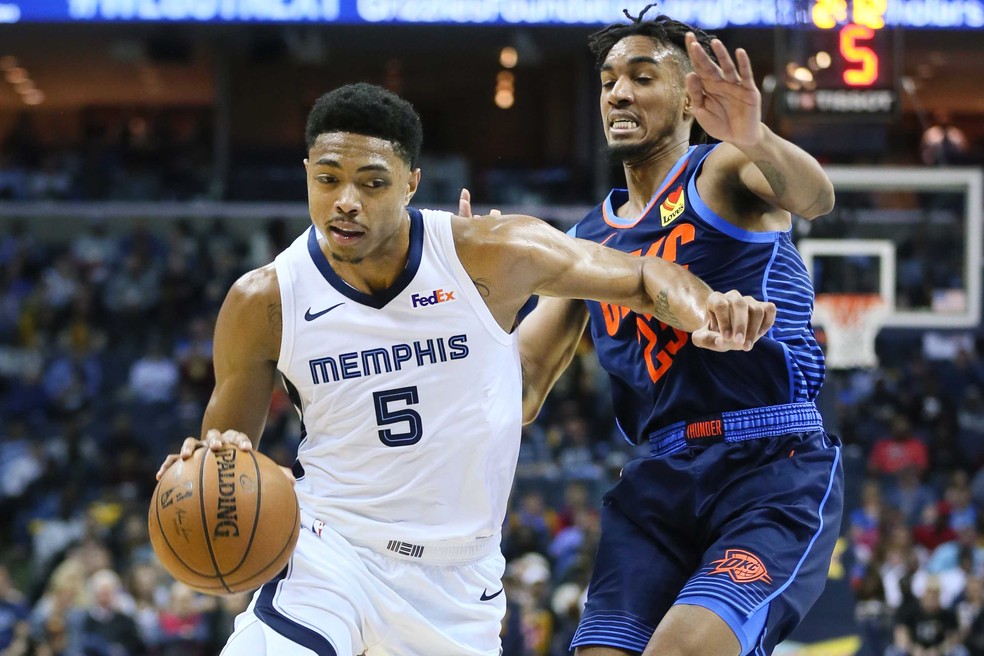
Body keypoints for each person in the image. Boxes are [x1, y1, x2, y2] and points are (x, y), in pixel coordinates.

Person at [156, 82, 775, 656]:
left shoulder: (490, 255)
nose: (346, 202)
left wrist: (708, 312)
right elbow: (226, 452)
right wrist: (199, 473)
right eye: (328, 179)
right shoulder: (263, 301)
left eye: (372, 183)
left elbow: (639, 274)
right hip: (331, 552)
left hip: (459, 580)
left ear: (411, 183)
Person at [495, 6, 844, 656]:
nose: (618, 93)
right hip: (659, 477)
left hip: (769, 463)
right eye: (607, 81)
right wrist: (467, 309)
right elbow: (520, 387)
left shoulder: (719, 173)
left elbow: (816, 198)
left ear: (689, 98)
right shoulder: (584, 241)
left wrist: (755, 134)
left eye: (641, 77)